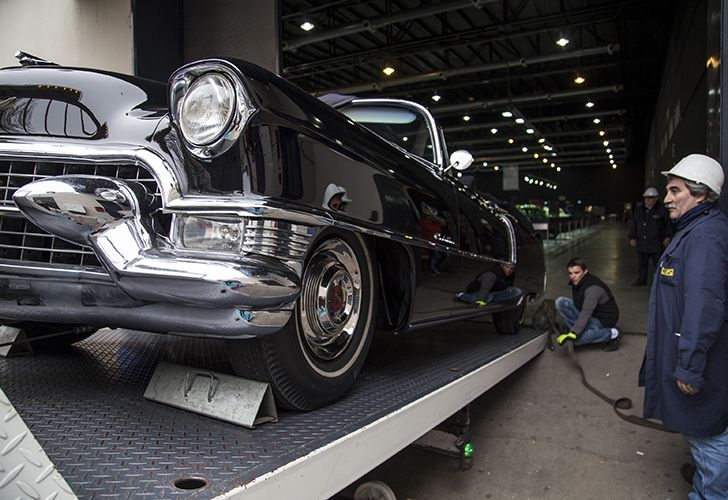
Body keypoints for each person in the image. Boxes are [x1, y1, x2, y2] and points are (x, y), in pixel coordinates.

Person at [640, 154, 728, 499]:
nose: (666, 198)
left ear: (700, 194)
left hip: (698, 360)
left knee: (708, 434)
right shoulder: (695, 230)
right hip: (685, 350)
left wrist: (690, 366)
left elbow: (704, 307)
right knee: (704, 433)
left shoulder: (705, 237)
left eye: (675, 190)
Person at [554, 257, 621, 351]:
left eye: (577, 273)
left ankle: (613, 333)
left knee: (576, 341)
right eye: (570, 273)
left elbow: (586, 313)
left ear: (585, 272)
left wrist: (574, 333)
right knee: (560, 302)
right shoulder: (577, 281)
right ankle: (580, 331)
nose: (573, 276)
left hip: (602, 320)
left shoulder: (592, 288)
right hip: (589, 314)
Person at [628, 186, 673, 286]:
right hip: (642, 242)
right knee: (642, 265)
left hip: (656, 243)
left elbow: (668, 224)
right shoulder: (639, 210)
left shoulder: (662, 210)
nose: (647, 200)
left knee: (658, 264)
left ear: (656, 199)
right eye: (646, 198)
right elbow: (634, 224)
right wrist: (632, 237)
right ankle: (641, 280)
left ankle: (660, 282)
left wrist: (668, 236)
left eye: (650, 198)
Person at [456, 263, 520, 306]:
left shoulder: (510, 275)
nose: (510, 270)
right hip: (479, 291)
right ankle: (461, 295)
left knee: (516, 291)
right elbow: (485, 288)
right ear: (502, 266)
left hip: (494, 292)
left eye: (512, 269)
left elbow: (508, 287)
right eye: (507, 267)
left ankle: (491, 301)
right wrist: (481, 300)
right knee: (487, 298)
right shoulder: (492, 274)